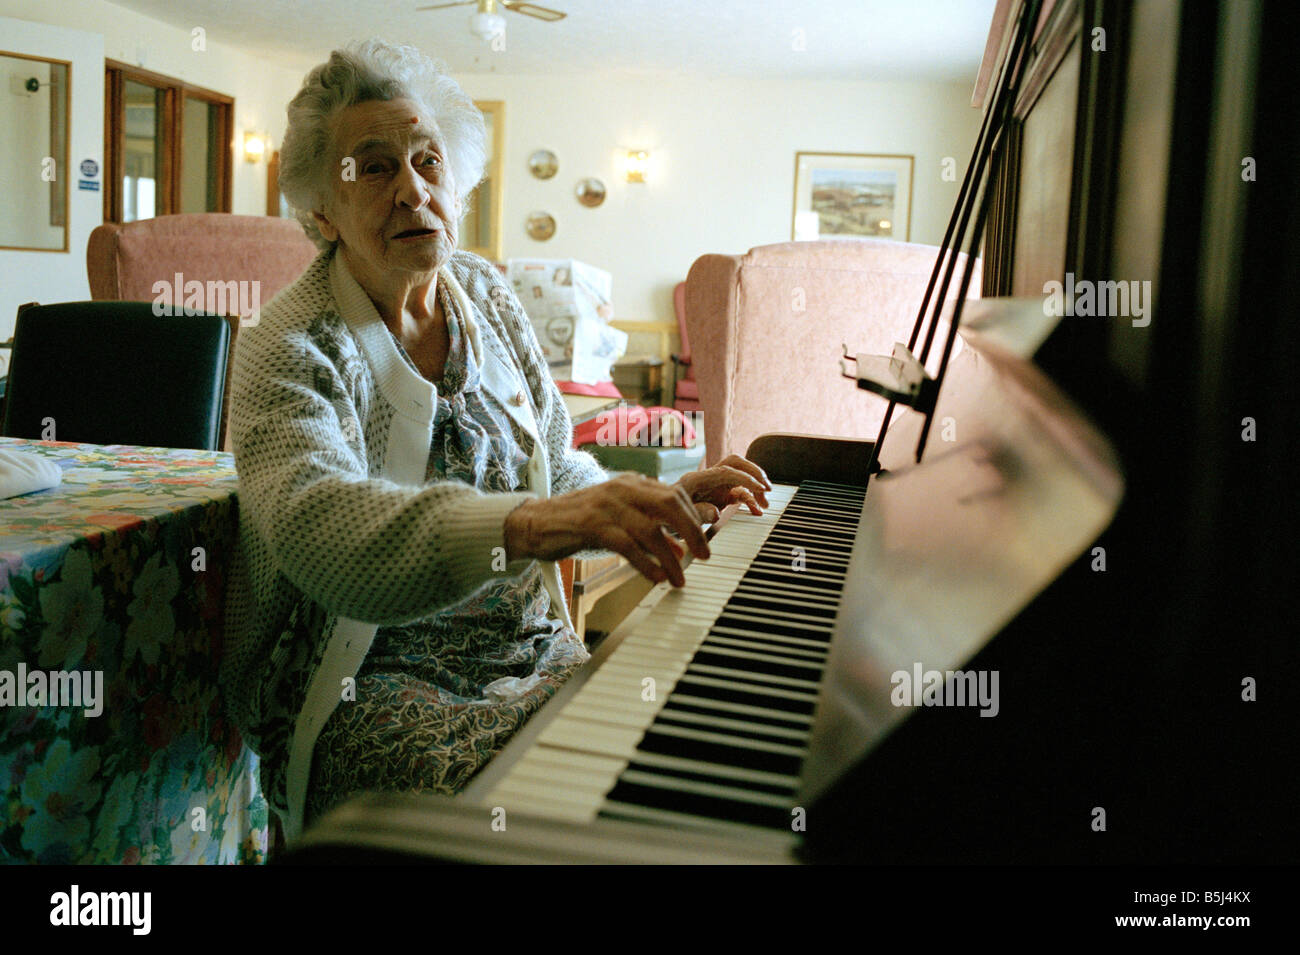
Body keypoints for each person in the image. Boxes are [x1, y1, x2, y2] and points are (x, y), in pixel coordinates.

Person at [220, 39, 771, 842]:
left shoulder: (482, 291)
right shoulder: (289, 345)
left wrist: (659, 499)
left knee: (691, 760)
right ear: (320, 209)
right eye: (374, 168)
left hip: (537, 657)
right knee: (539, 832)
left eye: (428, 161)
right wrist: (535, 526)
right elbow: (319, 528)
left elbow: (556, 458)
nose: (413, 188)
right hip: (361, 685)